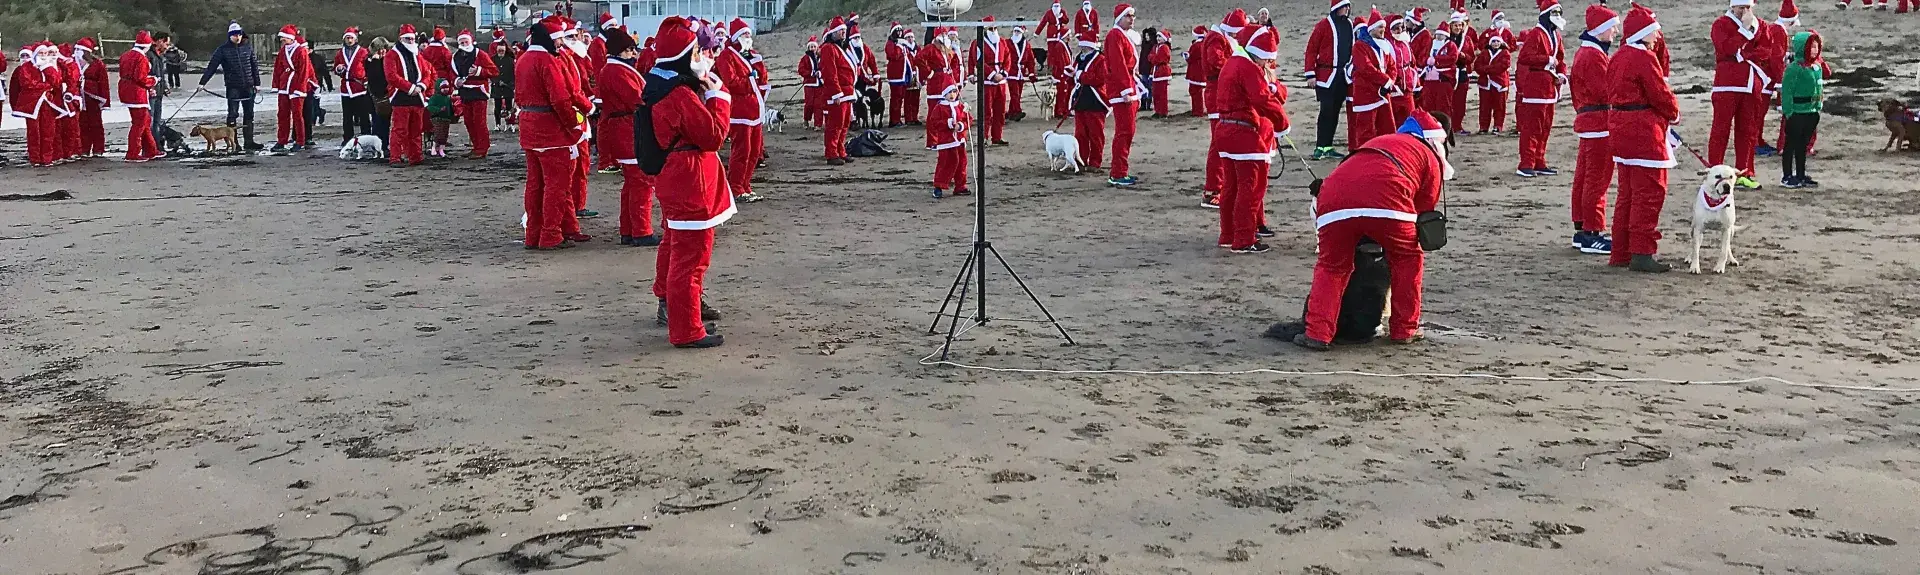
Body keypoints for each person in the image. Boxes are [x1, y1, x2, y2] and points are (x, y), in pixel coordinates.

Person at [1296, 110, 1453, 350]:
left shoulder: (1378, 142)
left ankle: (1317, 333)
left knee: (1331, 267)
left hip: (1333, 200)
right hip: (1389, 203)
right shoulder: (1428, 155)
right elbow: (1425, 208)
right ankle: (1405, 328)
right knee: (1407, 259)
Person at [645, 16, 733, 349]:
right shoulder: (679, 94)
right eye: (698, 49)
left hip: (677, 176)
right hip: (689, 180)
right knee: (692, 258)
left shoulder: (662, 84)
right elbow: (712, 135)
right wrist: (718, 98)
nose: (705, 55)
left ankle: (679, 310)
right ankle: (686, 328)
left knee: (679, 250)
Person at [1607, 3, 1680, 272]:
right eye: (1654, 31)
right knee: (1649, 192)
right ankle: (1642, 251)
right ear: (1643, 33)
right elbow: (1660, 94)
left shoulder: (1618, 56)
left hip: (1620, 128)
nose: (1658, 36)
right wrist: (1674, 115)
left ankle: (1621, 252)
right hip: (1643, 131)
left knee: (1627, 193)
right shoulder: (1644, 58)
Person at [1210, 26, 1290, 254]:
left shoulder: (1233, 63)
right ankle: (1244, 238)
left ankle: (1228, 234)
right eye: (1265, 59)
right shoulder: (1247, 67)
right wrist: (1282, 124)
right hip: (1244, 133)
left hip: (1225, 131)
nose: (1266, 64)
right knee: (1251, 188)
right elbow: (1262, 99)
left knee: (1231, 187)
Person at [518, 15, 591, 249]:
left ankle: (533, 234)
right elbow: (560, 99)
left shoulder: (523, 59)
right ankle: (550, 234)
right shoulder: (547, 61)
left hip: (529, 128)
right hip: (551, 131)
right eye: (559, 40)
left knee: (535, 184)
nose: (561, 45)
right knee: (556, 186)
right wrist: (573, 124)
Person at [594, 28, 655, 246]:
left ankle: (629, 230)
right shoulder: (617, 72)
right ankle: (641, 231)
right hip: (628, 129)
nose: (634, 54)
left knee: (632, 183)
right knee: (641, 182)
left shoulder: (613, 70)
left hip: (624, 128)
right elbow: (637, 99)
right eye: (630, 50)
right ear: (620, 51)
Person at [1568, 4, 1618, 255]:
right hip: (1599, 122)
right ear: (1601, 30)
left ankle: (1582, 227)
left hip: (1588, 121)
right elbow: (1604, 90)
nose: (1616, 32)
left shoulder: (1584, 53)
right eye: (1612, 27)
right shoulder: (1594, 56)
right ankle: (1592, 230)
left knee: (1585, 177)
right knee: (1597, 179)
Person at [1709, 0, 1766, 190]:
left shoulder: (1761, 25)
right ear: (1732, 6)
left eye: (1748, 7)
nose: (1745, 11)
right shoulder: (1721, 24)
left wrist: (1745, 54)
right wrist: (1744, 30)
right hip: (1726, 85)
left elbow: (1766, 50)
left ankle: (1745, 171)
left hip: (1750, 85)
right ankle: (1714, 171)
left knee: (1748, 130)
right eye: (1741, 7)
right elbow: (1727, 49)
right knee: (1720, 130)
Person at [1197, 9, 1246, 207]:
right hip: (1217, 93)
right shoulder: (1216, 40)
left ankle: (1218, 186)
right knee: (1219, 143)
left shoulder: (1218, 37)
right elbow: (1216, 61)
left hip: (1221, 93)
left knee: (1221, 142)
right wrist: (1236, 68)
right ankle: (1212, 189)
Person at [1514, 0, 1567, 177]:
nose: (1558, 17)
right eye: (1554, 14)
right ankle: (1526, 163)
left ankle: (1539, 161)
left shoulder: (1556, 36)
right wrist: (1546, 60)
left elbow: (1561, 59)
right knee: (1532, 128)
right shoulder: (1536, 34)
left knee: (1545, 128)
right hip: (1535, 88)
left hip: (1550, 88)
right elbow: (1524, 57)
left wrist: (1561, 74)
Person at [721, 18, 767, 202]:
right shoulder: (727, 56)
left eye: (749, 34)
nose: (748, 37)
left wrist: (757, 64)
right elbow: (731, 82)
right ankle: (736, 187)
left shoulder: (751, 55)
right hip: (739, 112)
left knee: (754, 151)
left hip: (754, 110)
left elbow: (762, 79)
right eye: (744, 34)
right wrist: (749, 79)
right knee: (742, 150)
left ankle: (745, 184)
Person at [1303, 0, 1354, 160]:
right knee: (1326, 111)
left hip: (1342, 75)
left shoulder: (1349, 25)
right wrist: (1310, 74)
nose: (1346, 10)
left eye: (1347, 7)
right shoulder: (1323, 25)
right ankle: (1320, 146)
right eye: (1343, 7)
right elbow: (1311, 49)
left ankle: (1328, 146)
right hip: (1325, 75)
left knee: (1336, 112)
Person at [201, 21, 263, 150]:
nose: (238, 37)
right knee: (233, 114)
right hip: (233, 87)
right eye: (235, 35)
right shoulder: (222, 50)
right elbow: (212, 67)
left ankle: (249, 141)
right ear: (230, 35)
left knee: (249, 115)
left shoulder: (248, 47)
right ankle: (234, 143)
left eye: (239, 35)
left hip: (248, 86)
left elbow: (254, 66)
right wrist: (202, 82)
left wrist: (257, 83)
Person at [1103, 4, 1142, 187]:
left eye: (1133, 16)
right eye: (1128, 16)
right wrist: (1126, 90)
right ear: (1120, 18)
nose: (1132, 19)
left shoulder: (1122, 36)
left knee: (1127, 132)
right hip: (1122, 90)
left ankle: (1121, 170)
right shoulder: (1115, 36)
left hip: (1128, 87)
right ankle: (1118, 172)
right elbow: (1118, 64)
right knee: (1124, 132)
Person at [385, 24, 435, 167]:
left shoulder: (417, 55)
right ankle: (395, 157)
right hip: (400, 97)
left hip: (417, 97)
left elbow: (427, 73)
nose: (410, 41)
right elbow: (391, 77)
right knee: (399, 130)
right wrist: (410, 87)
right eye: (407, 39)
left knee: (416, 130)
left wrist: (421, 86)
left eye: (412, 39)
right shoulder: (391, 55)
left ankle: (416, 156)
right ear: (401, 39)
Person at [1778, 29, 1822, 188]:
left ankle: (1801, 174)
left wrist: (1818, 106)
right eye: (1810, 47)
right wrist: (1788, 111)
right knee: (1790, 144)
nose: (1814, 50)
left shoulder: (1817, 68)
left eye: (1816, 47)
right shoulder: (1793, 69)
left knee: (1803, 145)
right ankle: (1787, 175)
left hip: (1811, 112)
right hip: (1796, 112)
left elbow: (1819, 88)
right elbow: (1787, 91)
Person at [1348, 10, 1396, 149]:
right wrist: (1385, 80)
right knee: (1365, 129)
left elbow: (1392, 66)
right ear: (1372, 28)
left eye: (1384, 28)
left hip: (1382, 92)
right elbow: (1365, 67)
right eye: (1380, 27)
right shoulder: (1360, 46)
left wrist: (1390, 81)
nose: (1383, 30)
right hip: (1366, 93)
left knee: (1387, 126)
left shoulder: (1384, 45)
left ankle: (1387, 151)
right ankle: (1364, 154)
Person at [15, 43, 64, 166]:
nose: (43, 56)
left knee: (48, 131)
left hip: (48, 102)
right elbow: (27, 84)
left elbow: (57, 83)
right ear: (35, 54)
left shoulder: (50, 67)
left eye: (45, 53)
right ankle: (35, 158)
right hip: (32, 103)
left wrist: (46, 69)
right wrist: (46, 86)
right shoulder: (26, 67)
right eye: (41, 53)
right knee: (34, 132)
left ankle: (47, 158)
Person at [452, 29, 497, 158]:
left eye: (466, 41)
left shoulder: (480, 54)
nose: (464, 44)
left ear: (471, 41)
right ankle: (476, 146)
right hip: (465, 91)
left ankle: (482, 148)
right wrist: (456, 81)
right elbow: (452, 73)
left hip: (479, 91)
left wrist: (478, 71)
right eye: (462, 42)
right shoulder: (456, 57)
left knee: (479, 121)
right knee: (468, 121)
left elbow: (493, 71)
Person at [969, 17, 1012, 146]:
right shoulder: (978, 43)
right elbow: (977, 60)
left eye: (995, 28)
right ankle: (984, 137)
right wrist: (992, 74)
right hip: (987, 81)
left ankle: (997, 137)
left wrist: (1003, 73)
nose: (993, 31)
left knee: (1000, 111)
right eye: (990, 29)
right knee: (986, 111)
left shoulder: (1002, 42)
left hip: (1001, 82)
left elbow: (1008, 58)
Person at [269, 25, 313, 152]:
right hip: (284, 86)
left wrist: (300, 88)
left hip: (296, 87)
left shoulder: (301, 51)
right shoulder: (283, 51)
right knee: (282, 114)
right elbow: (278, 69)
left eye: (284, 38)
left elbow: (304, 71)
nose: (282, 40)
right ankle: (281, 140)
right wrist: (276, 85)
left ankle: (300, 141)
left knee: (298, 115)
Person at [1071, 27, 1109, 172]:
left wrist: (1080, 75)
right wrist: (1070, 74)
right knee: (1080, 134)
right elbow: (1075, 77)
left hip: (1095, 100)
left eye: (1082, 42)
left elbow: (1100, 79)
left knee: (1096, 134)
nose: (1080, 45)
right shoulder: (1078, 58)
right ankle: (1081, 160)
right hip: (1080, 100)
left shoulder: (1101, 59)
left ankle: (1095, 162)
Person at [820, 17, 856, 165]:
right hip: (839, 93)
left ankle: (841, 150)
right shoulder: (828, 48)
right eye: (840, 30)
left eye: (844, 30)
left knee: (844, 123)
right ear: (833, 32)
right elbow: (830, 72)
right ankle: (831, 153)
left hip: (847, 91)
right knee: (835, 124)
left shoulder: (842, 47)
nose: (843, 32)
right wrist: (836, 92)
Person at [119, 32, 161, 162]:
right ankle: (133, 153)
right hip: (137, 94)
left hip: (126, 90)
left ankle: (151, 150)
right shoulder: (141, 58)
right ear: (147, 45)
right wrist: (153, 81)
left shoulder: (126, 55)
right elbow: (140, 78)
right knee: (139, 123)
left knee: (145, 121)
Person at [928, 80, 971, 198]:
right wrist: (948, 123)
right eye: (949, 92)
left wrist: (961, 126)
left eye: (954, 92)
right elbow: (934, 123)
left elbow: (968, 120)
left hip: (960, 141)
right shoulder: (939, 107)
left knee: (962, 163)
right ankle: (939, 185)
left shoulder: (960, 106)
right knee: (945, 163)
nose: (952, 95)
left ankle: (960, 186)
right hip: (946, 142)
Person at [336, 28, 373, 146]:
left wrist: (366, 80)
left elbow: (368, 67)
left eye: (351, 38)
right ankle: (347, 138)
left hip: (359, 87)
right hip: (346, 88)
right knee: (347, 116)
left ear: (355, 39)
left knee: (364, 115)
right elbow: (336, 67)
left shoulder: (363, 52)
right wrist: (338, 68)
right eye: (347, 38)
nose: (349, 40)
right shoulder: (340, 53)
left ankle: (366, 137)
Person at [73, 39, 109, 158]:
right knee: (81, 123)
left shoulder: (97, 64)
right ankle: (84, 148)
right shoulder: (72, 63)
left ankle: (98, 149)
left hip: (93, 97)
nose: (77, 52)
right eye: (76, 49)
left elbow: (103, 82)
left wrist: (105, 101)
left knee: (95, 123)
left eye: (80, 50)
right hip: (78, 96)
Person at [1447, 6, 1477, 136]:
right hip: (1448, 73)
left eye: (1460, 25)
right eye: (1455, 25)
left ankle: (1457, 126)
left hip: (1463, 72)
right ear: (1451, 26)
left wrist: (1464, 56)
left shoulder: (1467, 40)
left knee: (1460, 102)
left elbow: (1471, 57)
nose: (1458, 28)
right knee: (1448, 101)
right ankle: (1448, 126)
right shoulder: (1445, 38)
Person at [1475, 29, 1511, 133]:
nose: (1496, 44)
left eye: (1497, 41)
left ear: (1501, 42)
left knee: (1499, 106)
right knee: (1484, 107)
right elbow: (1477, 66)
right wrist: (1489, 69)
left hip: (1499, 83)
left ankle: (1498, 126)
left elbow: (1503, 66)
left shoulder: (1505, 53)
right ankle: (1483, 126)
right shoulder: (1484, 52)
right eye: (1494, 41)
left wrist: (1487, 69)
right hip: (1485, 83)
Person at [886, 24, 918, 127]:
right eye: (897, 31)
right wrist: (899, 46)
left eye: (901, 31)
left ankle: (898, 118)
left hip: (903, 74)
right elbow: (894, 55)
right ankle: (894, 120)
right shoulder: (891, 44)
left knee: (900, 98)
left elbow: (908, 58)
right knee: (896, 98)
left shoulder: (903, 44)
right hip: (896, 75)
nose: (899, 33)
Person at [365, 37, 392, 151]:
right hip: (375, 97)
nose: (382, 52)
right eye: (380, 49)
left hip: (386, 96)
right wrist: (375, 61)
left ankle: (384, 145)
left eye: (384, 49)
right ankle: (376, 146)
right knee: (377, 123)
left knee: (385, 123)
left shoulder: (388, 60)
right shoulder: (370, 62)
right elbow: (374, 78)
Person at [490, 30, 518, 132]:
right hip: (496, 86)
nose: (501, 52)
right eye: (499, 51)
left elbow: (513, 74)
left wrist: (511, 84)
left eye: (502, 51)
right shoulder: (492, 59)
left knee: (509, 106)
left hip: (508, 86)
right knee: (497, 106)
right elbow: (491, 73)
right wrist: (496, 81)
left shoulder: (510, 60)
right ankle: (497, 124)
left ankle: (510, 124)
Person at [147, 32, 172, 143]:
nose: (167, 46)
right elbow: (146, 74)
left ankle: (156, 146)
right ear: (160, 41)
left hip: (159, 92)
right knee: (150, 121)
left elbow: (161, 74)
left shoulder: (160, 55)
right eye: (166, 43)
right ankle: (150, 147)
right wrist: (150, 88)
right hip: (151, 93)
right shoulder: (149, 54)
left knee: (157, 121)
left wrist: (165, 86)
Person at [1008, 25, 1035, 122]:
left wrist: (1031, 72)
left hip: (1021, 72)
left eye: (1018, 32)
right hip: (1011, 71)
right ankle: (1017, 111)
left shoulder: (1026, 44)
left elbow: (1030, 59)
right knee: (1014, 93)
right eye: (1015, 31)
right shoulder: (1008, 43)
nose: (1016, 33)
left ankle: (1011, 112)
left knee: (1018, 94)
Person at [1145, 28, 1173, 118]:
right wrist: (1153, 58)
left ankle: (1163, 112)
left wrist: (1153, 58)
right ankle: (1157, 111)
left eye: (1160, 37)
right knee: (1156, 93)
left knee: (1162, 94)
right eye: (1157, 37)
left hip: (1162, 73)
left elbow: (1159, 59)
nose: (1158, 38)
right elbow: (1150, 57)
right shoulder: (1156, 47)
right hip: (1156, 73)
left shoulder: (1165, 47)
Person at [1185, 26, 1210, 118]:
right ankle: (1200, 110)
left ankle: (1197, 110)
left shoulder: (1196, 45)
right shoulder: (1206, 44)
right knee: (1199, 91)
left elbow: (1191, 57)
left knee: (1195, 91)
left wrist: (1186, 57)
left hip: (1195, 71)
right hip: (1203, 70)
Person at [426, 80, 455, 157]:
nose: (445, 89)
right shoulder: (434, 97)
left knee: (444, 135)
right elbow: (430, 107)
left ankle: (441, 150)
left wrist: (453, 114)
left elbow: (451, 108)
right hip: (437, 118)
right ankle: (433, 149)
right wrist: (438, 110)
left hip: (446, 119)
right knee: (438, 134)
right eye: (443, 88)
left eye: (447, 87)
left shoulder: (448, 98)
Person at [800, 37, 823, 128]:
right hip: (809, 84)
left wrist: (820, 73)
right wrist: (811, 74)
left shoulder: (821, 58)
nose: (813, 48)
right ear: (808, 48)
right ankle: (806, 120)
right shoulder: (805, 58)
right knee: (809, 104)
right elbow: (801, 70)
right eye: (811, 47)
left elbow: (825, 68)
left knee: (819, 105)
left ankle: (818, 124)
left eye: (814, 46)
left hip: (819, 84)